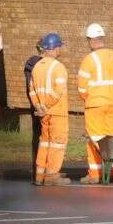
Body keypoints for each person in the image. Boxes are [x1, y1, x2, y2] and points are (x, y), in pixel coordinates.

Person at [78, 23, 113, 184]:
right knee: (112, 138)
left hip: (95, 104)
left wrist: (88, 99)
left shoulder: (89, 59)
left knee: (94, 139)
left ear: (90, 40)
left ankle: (95, 175)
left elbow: (82, 88)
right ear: (102, 38)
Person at [28, 33, 71, 186]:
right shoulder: (58, 67)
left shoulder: (37, 67)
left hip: (43, 113)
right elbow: (58, 91)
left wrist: (39, 106)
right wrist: (46, 105)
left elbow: (32, 90)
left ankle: (40, 175)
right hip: (56, 111)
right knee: (57, 143)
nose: (60, 50)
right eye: (59, 47)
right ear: (54, 48)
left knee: (45, 142)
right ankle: (52, 175)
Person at [24, 40, 43, 184]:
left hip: (38, 106)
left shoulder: (32, 65)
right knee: (42, 139)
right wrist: (38, 106)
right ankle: (40, 172)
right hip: (41, 108)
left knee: (41, 139)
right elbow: (31, 87)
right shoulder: (37, 65)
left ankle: (40, 172)